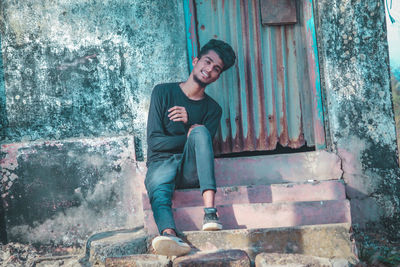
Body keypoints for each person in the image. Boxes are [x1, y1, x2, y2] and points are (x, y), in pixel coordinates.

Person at [145, 39, 236, 257]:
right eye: (207, 62)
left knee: (201, 131)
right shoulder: (162, 93)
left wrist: (190, 127)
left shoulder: (213, 109)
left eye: (216, 69)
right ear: (196, 61)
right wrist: (186, 134)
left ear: (218, 76)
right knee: (159, 188)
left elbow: (202, 146)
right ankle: (169, 235)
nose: (209, 70)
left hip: (190, 169)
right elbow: (155, 142)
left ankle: (210, 213)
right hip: (160, 163)